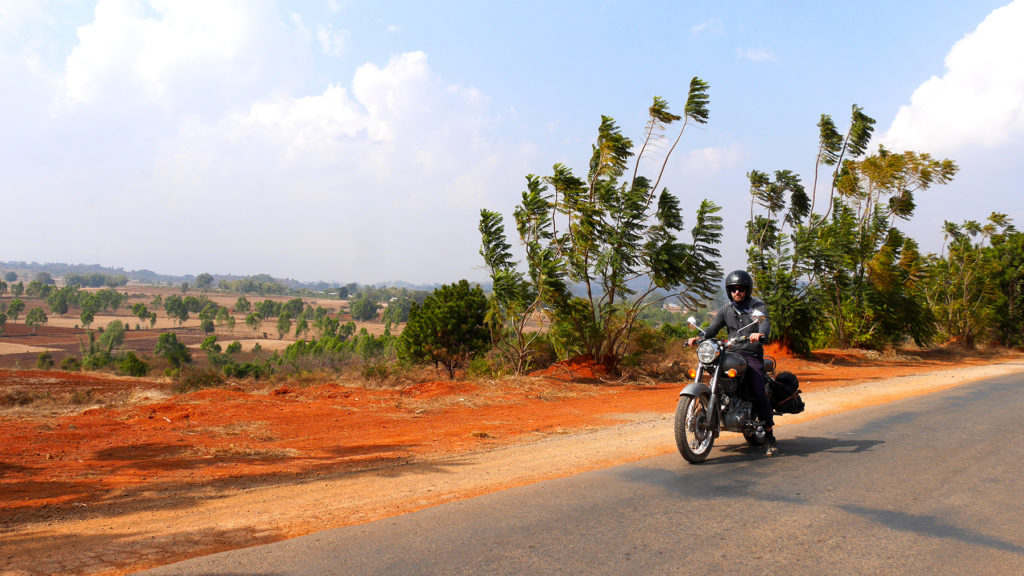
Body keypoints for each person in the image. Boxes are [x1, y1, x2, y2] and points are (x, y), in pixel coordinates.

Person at [688, 269, 777, 455]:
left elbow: (764, 323)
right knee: (713, 370)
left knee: (759, 392)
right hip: (730, 352)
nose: (737, 292)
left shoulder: (757, 307)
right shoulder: (726, 309)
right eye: (734, 289)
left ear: (747, 290)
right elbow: (712, 329)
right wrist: (699, 337)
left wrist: (760, 334)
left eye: (741, 289)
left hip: (751, 354)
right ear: (729, 291)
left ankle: (769, 436)